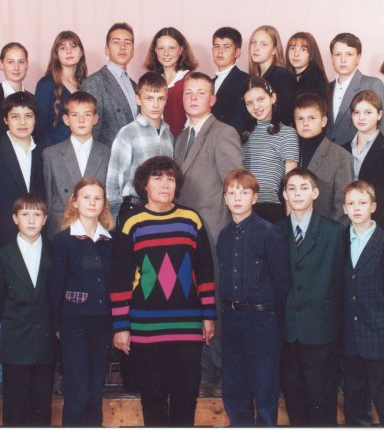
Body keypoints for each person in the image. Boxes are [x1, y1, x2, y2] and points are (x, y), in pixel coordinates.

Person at [111, 156, 216, 426]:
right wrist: (121, 327)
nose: (165, 184)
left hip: (187, 326)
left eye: (170, 179)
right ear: (144, 185)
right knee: (153, 397)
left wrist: (208, 315)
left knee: (186, 396)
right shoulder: (131, 223)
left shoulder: (191, 219)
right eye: (157, 178)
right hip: (146, 327)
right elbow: (120, 280)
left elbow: (204, 271)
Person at [174, 71, 243, 389]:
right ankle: (202, 372)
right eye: (188, 92)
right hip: (185, 235)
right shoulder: (180, 137)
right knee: (193, 302)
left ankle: (219, 373)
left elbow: (235, 185)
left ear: (212, 99)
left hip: (215, 234)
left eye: (200, 93)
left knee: (214, 303)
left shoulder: (223, 133)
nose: (193, 98)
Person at [217, 168, 291, 426]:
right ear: (225, 198)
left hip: (262, 320)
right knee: (234, 386)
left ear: (255, 197)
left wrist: (269, 315)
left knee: (264, 384)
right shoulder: (224, 237)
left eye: (244, 192)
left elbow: (283, 282)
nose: (237, 198)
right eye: (232, 193)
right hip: (232, 318)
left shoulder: (269, 233)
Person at [277, 168, 345, 426]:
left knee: (322, 400)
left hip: (321, 330)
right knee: (294, 399)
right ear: (284, 194)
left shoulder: (334, 232)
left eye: (304, 188)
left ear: (315, 193)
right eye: (292, 189)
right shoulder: (276, 231)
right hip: (288, 330)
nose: (297, 194)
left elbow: (340, 283)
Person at [48, 178, 113, 426]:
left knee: (95, 392)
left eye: (97, 198)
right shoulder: (63, 240)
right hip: (74, 324)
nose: (92, 202)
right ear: (74, 202)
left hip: (103, 324)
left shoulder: (110, 241)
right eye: (86, 197)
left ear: (104, 204)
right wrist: (56, 325)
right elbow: (56, 284)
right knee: (78, 393)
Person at [341, 181, 384, 426]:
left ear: (373, 206)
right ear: (344, 208)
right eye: (351, 203)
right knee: (354, 401)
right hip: (350, 337)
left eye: (362, 203)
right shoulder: (339, 241)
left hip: (380, 337)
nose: (357, 208)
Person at [0, 193, 55, 426]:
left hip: (44, 346)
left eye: (37, 214)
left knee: (41, 410)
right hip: (15, 345)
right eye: (25, 214)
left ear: (45, 219)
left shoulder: (54, 253)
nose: (31, 220)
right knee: (15, 409)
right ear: (15, 218)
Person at [0, 91, 45, 250]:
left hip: (37, 239)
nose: (22, 122)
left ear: (35, 119)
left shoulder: (44, 152)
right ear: (6, 119)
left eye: (28, 116)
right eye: (15, 116)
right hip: (1, 238)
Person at [106, 72, 174, 225]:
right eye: (149, 98)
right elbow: (114, 181)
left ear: (166, 100)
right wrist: (113, 220)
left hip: (162, 209)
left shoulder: (168, 135)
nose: (155, 105)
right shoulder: (128, 133)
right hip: (134, 208)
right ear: (138, 99)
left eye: (160, 98)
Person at [43, 91, 110, 240]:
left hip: (96, 227)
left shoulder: (107, 153)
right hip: (61, 227)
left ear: (95, 119)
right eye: (75, 115)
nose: (81, 120)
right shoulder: (51, 154)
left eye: (87, 115)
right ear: (66, 120)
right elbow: (48, 197)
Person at [241, 77, 298, 223]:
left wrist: (290, 223)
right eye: (249, 103)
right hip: (243, 207)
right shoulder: (244, 135)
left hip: (271, 210)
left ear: (272, 98)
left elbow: (291, 181)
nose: (256, 107)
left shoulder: (287, 133)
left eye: (260, 99)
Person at [294, 93, 353, 224]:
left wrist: (329, 234)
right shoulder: (290, 152)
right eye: (300, 118)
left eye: (311, 118)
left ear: (324, 121)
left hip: (326, 231)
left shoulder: (341, 156)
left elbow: (342, 207)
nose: (305, 123)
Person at [344, 90, 384, 231]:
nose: (361, 117)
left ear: (379, 114)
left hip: (379, 227)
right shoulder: (342, 149)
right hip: (345, 227)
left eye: (368, 112)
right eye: (356, 112)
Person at [326, 33, 384, 145]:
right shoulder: (326, 88)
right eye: (338, 54)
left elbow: (382, 127)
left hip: (359, 152)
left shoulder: (372, 84)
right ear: (332, 58)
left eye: (349, 54)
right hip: (329, 153)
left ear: (358, 57)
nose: (343, 60)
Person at [81, 23, 137, 146]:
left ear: (132, 51)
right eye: (116, 42)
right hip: (108, 155)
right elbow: (91, 133)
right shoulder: (93, 83)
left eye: (127, 43)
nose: (122, 47)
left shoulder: (135, 86)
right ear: (106, 49)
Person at [35, 31, 87, 148]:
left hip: (83, 150)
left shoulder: (87, 84)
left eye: (73, 46)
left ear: (81, 53)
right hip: (56, 150)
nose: (69, 51)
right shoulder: (46, 84)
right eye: (63, 48)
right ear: (56, 54)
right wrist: (51, 154)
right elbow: (40, 128)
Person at [144, 27, 198, 136]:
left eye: (171, 48)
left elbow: (195, 120)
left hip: (182, 142)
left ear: (181, 50)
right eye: (161, 48)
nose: (166, 53)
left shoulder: (190, 80)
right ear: (155, 50)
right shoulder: (150, 80)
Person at [249, 25, 295, 126]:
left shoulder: (283, 76)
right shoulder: (253, 78)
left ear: (274, 50)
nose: (256, 48)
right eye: (253, 42)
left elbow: (285, 115)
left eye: (263, 44)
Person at [210, 27, 249, 134]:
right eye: (216, 46)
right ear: (212, 50)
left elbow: (241, 121)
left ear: (237, 52)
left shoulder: (245, 81)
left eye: (226, 47)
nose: (220, 51)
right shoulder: (209, 83)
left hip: (229, 140)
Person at [285, 32, 328, 101]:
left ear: (311, 55)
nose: (296, 54)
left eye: (303, 49)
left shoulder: (315, 81)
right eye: (292, 48)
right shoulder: (286, 77)